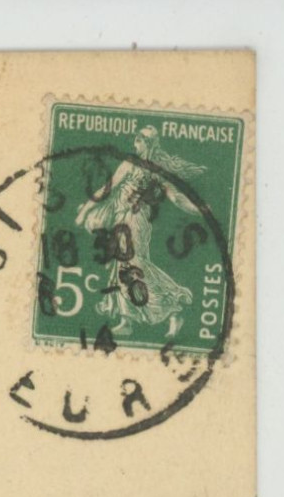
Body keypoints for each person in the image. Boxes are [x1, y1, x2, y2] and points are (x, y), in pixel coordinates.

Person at [74, 126, 205, 339]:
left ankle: (173, 310)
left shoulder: (158, 169)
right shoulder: (130, 163)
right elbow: (108, 188)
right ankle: (127, 321)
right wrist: (86, 210)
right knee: (123, 267)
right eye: (137, 137)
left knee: (135, 266)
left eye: (141, 138)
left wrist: (200, 210)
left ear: (150, 143)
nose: (136, 141)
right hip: (120, 218)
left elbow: (175, 197)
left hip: (136, 221)